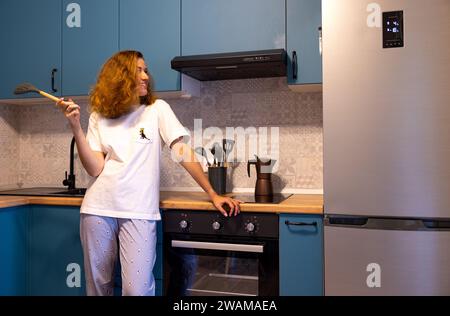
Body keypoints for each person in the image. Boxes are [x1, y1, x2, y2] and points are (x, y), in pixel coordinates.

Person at [56, 50, 241, 296]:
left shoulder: (157, 109)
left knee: (137, 290)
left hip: (139, 210)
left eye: (146, 70)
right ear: (120, 77)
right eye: (138, 71)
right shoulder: (100, 116)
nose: (146, 76)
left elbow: (182, 151)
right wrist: (76, 127)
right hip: (98, 209)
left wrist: (212, 193)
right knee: (98, 289)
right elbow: (95, 168)